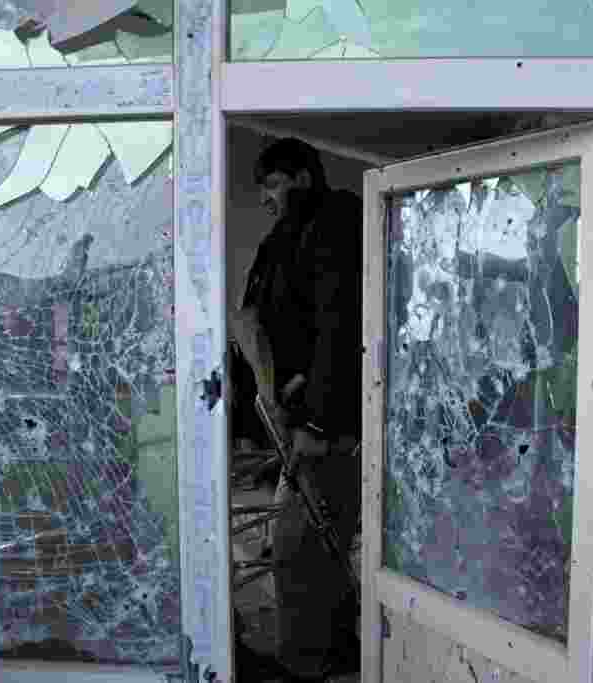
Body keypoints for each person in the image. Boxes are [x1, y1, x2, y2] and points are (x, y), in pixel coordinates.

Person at [229, 138, 362, 682]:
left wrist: (317, 419)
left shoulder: (334, 225)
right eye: (262, 188)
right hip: (289, 419)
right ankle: (328, 647)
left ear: (304, 177)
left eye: (274, 185)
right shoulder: (283, 238)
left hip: (320, 429)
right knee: (308, 548)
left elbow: (341, 324)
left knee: (299, 548)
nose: (266, 198)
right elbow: (257, 321)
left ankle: (312, 659)